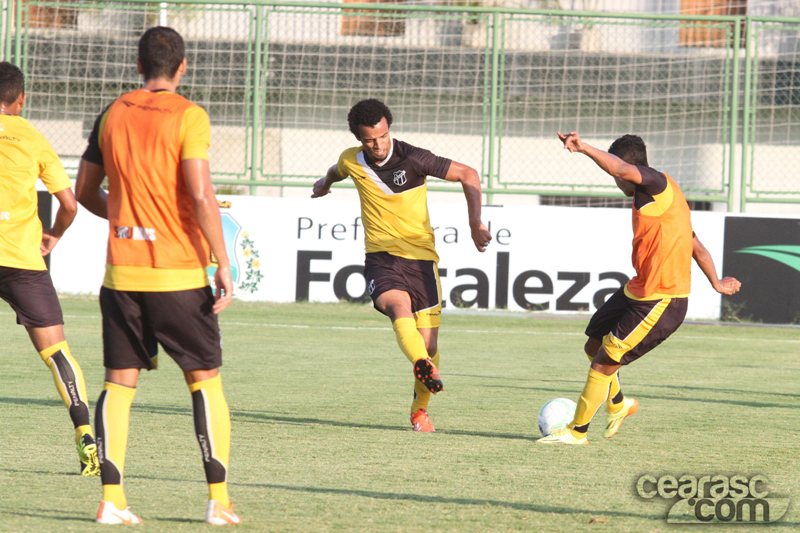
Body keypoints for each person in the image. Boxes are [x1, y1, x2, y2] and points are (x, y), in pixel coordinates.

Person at [75, 27, 240, 525]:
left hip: (121, 274)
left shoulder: (112, 113)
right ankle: (219, 500)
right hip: (177, 274)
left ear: (138, 63)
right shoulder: (190, 116)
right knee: (204, 381)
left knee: (118, 385)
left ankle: (112, 500)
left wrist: (130, 222)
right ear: (183, 66)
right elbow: (201, 194)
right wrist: (223, 260)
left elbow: (84, 191)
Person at [538, 132, 741, 445]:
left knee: (604, 361)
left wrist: (583, 148)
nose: (618, 181)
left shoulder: (656, 182)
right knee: (593, 345)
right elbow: (695, 244)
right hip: (639, 290)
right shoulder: (660, 195)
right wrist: (716, 281)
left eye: (620, 175)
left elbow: (620, 169)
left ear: (630, 168)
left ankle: (576, 432)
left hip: (663, 299)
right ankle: (618, 405)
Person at [311, 98, 492, 432]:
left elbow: (468, 174)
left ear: (389, 128)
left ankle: (419, 409)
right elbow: (335, 172)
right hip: (381, 257)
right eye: (370, 140)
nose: (378, 145)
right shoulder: (352, 161)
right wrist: (324, 185)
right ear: (358, 139)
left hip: (423, 261)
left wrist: (474, 223)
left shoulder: (413, 158)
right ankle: (420, 363)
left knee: (431, 344)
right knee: (398, 307)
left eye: (383, 136)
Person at [0, 62, 100, 476]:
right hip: (22, 261)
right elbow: (71, 204)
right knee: (56, 351)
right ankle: (85, 432)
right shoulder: (32, 137)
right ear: (20, 99)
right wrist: (54, 235)